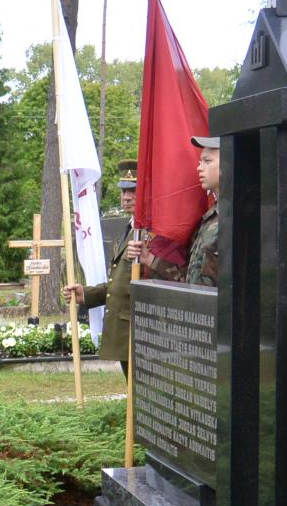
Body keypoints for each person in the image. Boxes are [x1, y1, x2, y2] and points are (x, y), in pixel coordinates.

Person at [62, 160, 144, 373]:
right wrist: (86, 294)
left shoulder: (149, 232)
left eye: (133, 190)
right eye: (124, 191)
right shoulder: (132, 227)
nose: (126, 197)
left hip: (140, 329)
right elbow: (120, 281)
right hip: (125, 328)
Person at [136, 136, 220, 287]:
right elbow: (190, 281)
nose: (199, 168)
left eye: (207, 161)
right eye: (200, 162)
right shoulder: (209, 218)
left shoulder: (237, 215)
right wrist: (149, 259)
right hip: (200, 308)